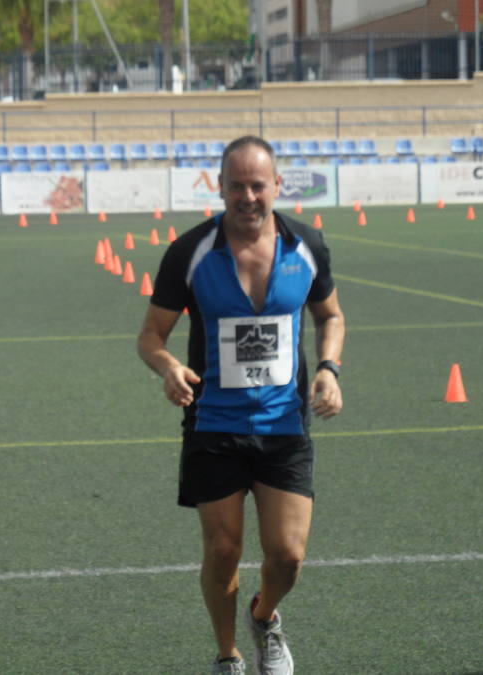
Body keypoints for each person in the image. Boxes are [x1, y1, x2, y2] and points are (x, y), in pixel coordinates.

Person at [136, 136, 345, 675]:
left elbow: (331, 316)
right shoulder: (190, 252)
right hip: (214, 425)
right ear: (221, 188)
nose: (248, 196)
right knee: (223, 551)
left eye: (258, 185)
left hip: (283, 424)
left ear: (277, 185)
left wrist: (328, 369)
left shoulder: (307, 246)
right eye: (237, 186)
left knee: (288, 556)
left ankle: (265, 618)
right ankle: (228, 656)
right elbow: (151, 337)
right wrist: (168, 368)